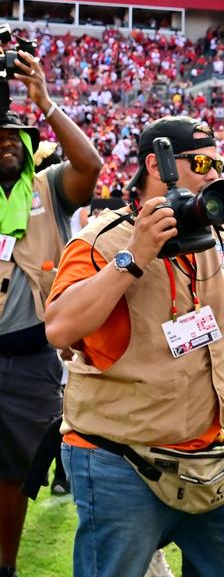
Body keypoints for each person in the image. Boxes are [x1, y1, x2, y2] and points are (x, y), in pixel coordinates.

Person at [44, 116, 224, 577]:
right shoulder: (101, 240)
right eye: (203, 162)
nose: (215, 174)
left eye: (219, 163)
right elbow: (60, 328)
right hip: (120, 457)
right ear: (158, 164)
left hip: (208, 453)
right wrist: (135, 257)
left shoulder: (219, 235)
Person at [0, 49, 101, 577]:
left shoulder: (49, 187)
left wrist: (45, 101)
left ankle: (6, 565)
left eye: (14, 136)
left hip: (29, 358)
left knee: (15, 473)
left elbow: (91, 165)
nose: (6, 144)